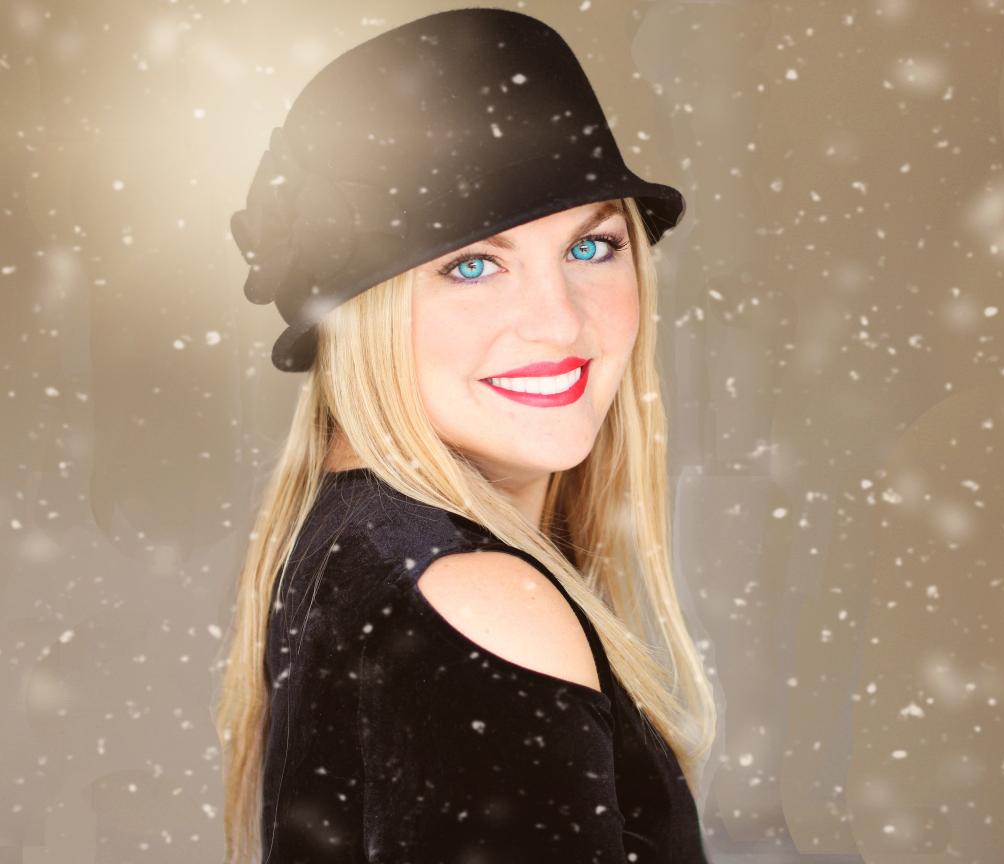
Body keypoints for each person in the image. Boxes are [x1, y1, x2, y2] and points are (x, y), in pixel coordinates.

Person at [213, 8, 716, 862]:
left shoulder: (350, 550)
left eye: (591, 247)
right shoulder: (481, 604)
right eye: (472, 265)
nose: (559, 323)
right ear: (364, 316)